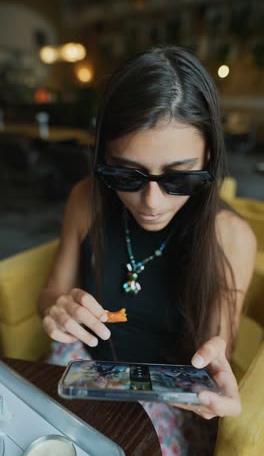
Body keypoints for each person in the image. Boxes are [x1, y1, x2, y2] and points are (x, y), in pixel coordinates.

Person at [38, 46, 256, 455]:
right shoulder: (86, 199)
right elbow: (50, 294)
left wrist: (212, 376)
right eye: (126, 174)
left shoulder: (230, 237)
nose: (152, 202)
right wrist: (59, 309)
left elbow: (216, 348)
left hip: (164, 399)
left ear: (209, 155)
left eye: (178, 178)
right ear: (104, 156)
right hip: (84, 368)